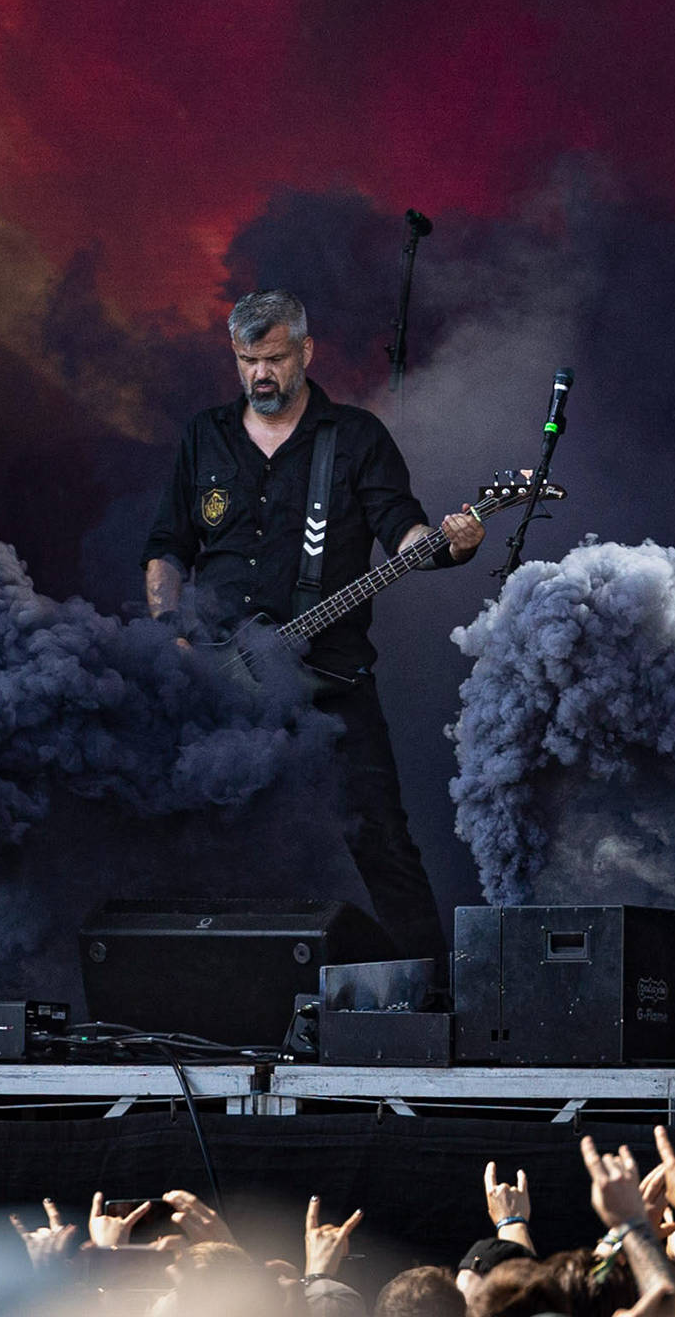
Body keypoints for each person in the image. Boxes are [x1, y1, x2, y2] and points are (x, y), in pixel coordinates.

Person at [142, 290, 483, 958]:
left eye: (273, 359)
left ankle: (430, 992)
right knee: (191, 837)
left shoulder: (355, 439)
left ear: (306, 351)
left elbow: (404, 531)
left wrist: (452, 543)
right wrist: (166, 633)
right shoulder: (204, 436)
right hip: (220, 677)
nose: (260, 375)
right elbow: (167, 547)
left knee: (381, 839)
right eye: (247, 361)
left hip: (330, 680)